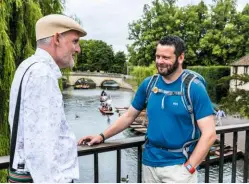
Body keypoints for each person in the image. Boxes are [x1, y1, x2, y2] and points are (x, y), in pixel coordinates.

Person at [78, 35, 217, 183]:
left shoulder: (193, 88)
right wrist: (101, 136)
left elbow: (209, 134)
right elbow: (128, 116)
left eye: (166, 57)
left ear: (181, 57)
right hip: (149, 163)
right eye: (157, 56)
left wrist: (188, 168)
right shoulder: (149, 84)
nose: (160, 61)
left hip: (178, 168)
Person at [8, 14, 87, 182]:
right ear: (57, 38)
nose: (78, 49)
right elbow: (41, 149)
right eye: (75, 41)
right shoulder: (42, 75)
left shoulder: (27, 66)